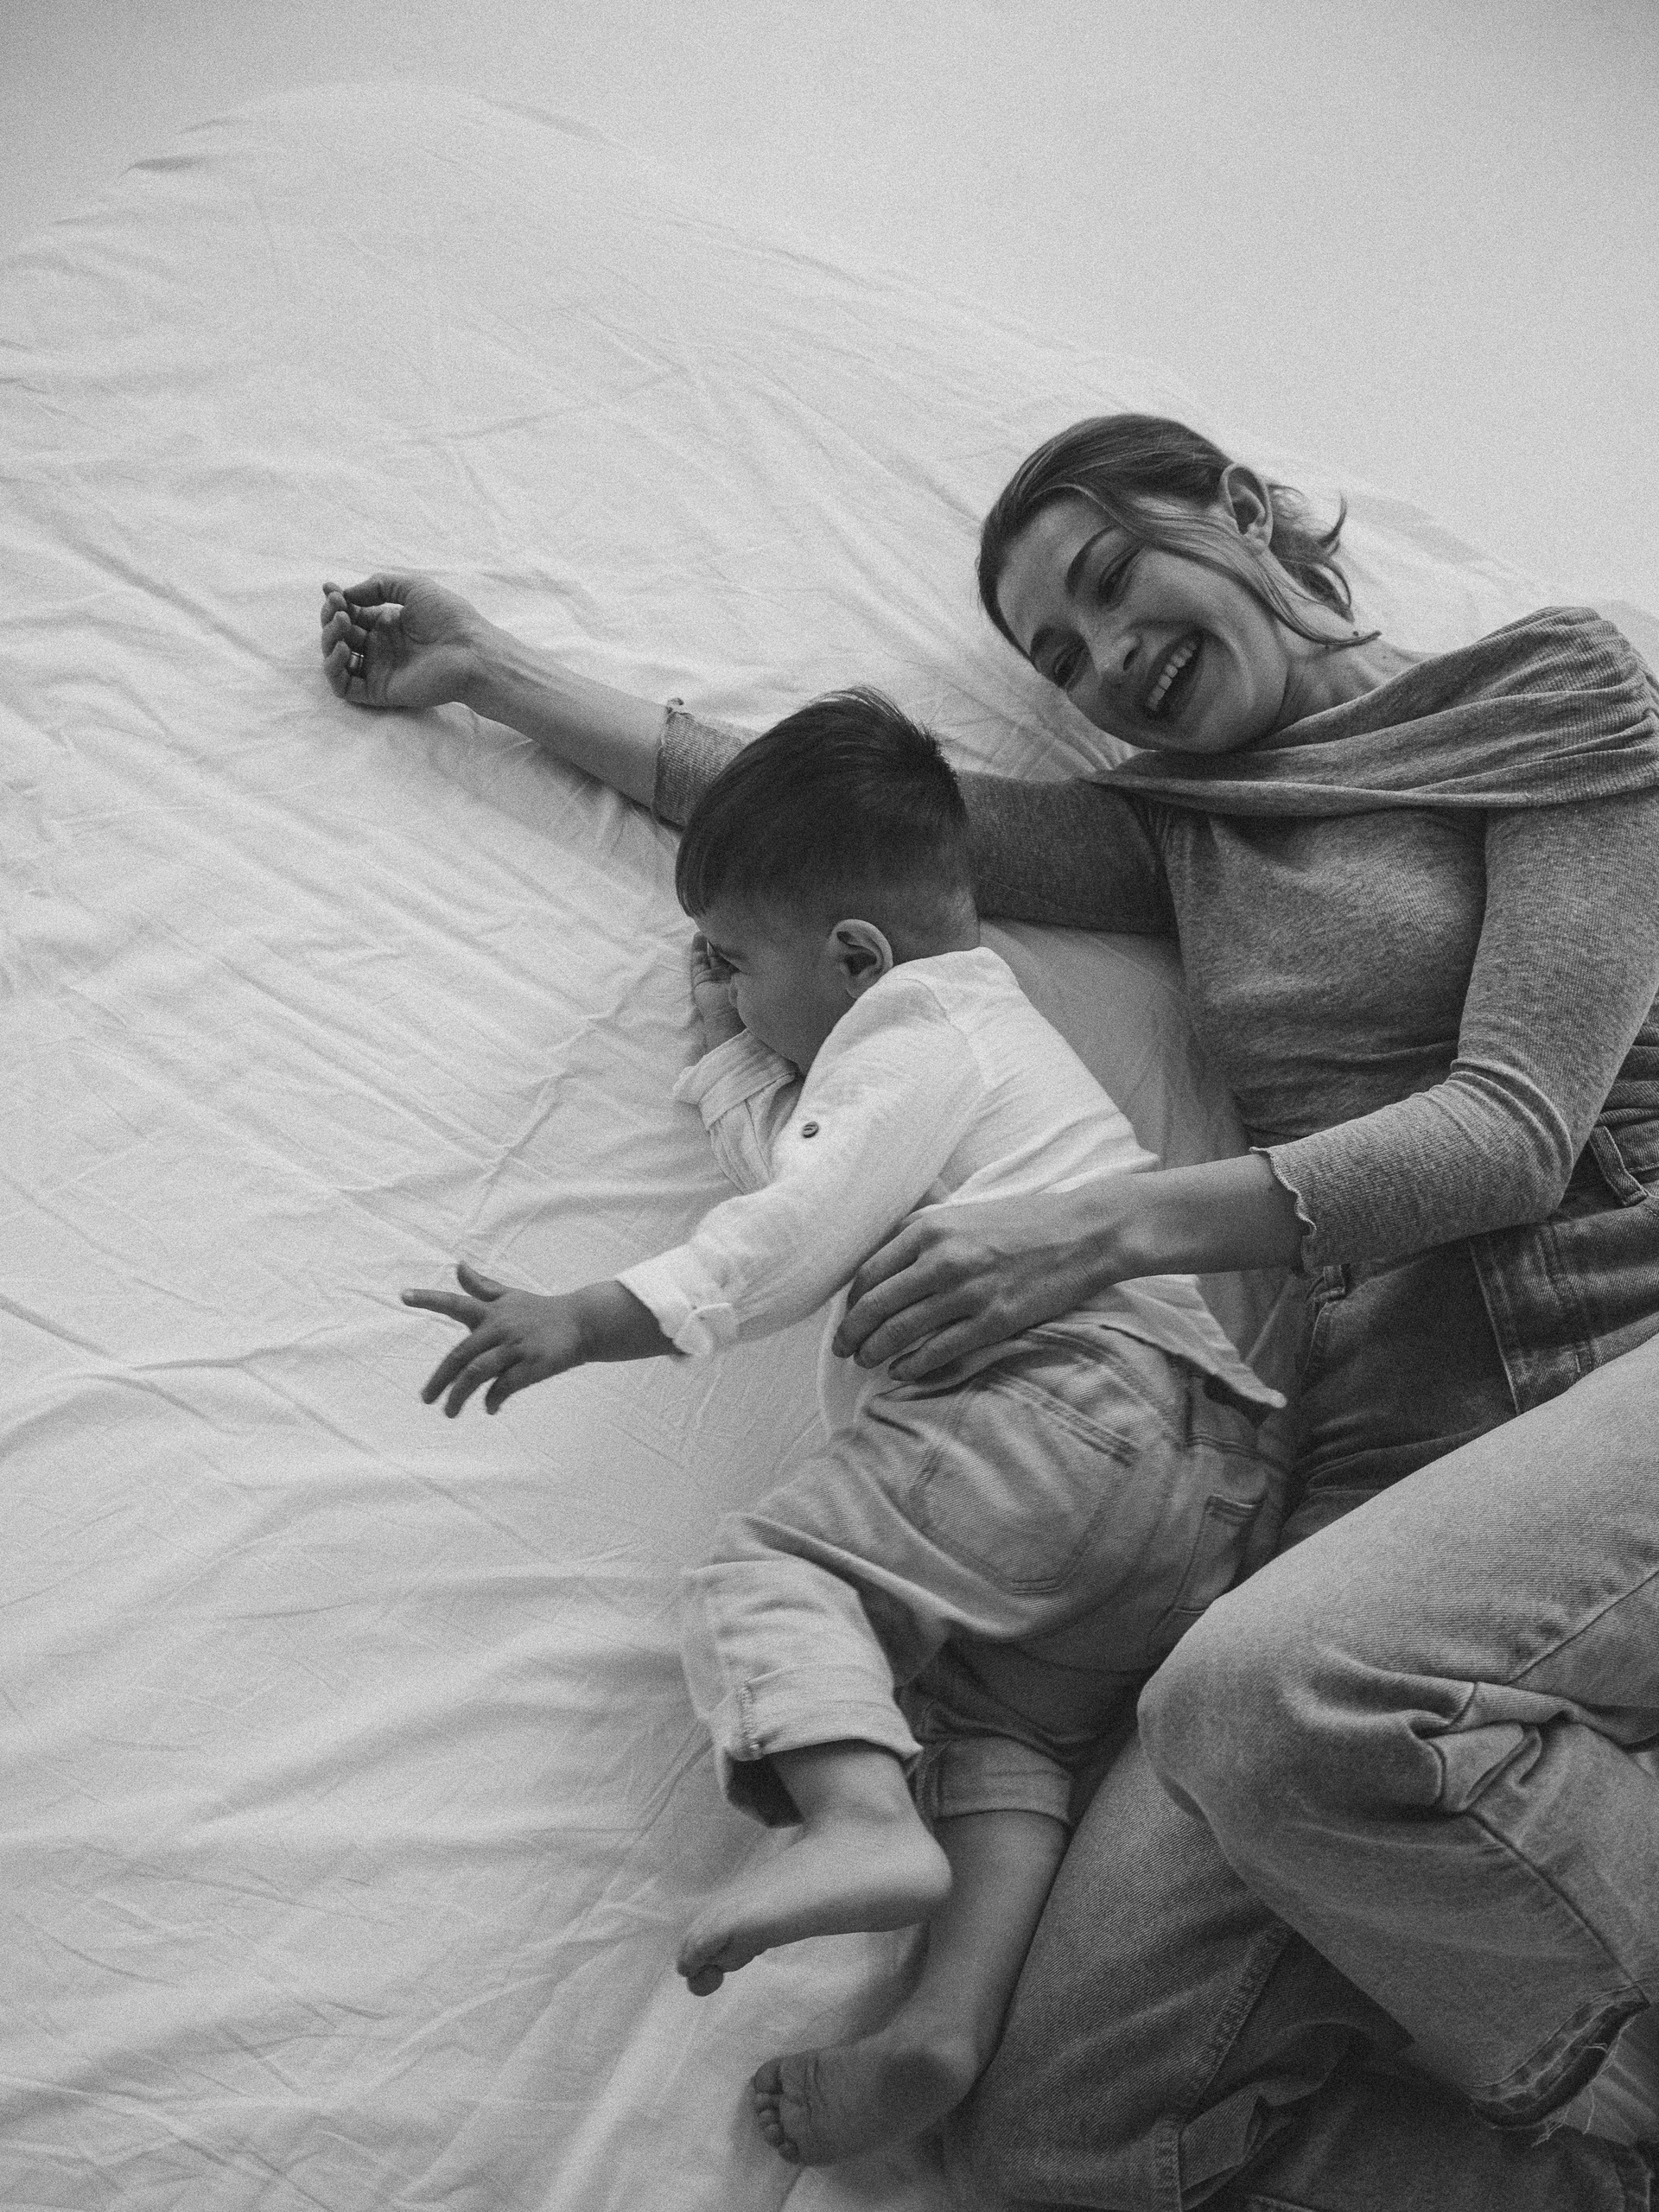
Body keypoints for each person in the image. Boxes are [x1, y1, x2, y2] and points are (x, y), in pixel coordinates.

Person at [319, 408, 1659, 2209]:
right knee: (1071, 2131)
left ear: (1243, 510)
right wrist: (491, 672)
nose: (1109, 658)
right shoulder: (1187, 835)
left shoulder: (1551, 689)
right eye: (1062, 659)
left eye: (1111, 579)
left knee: (1264, 1695)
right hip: (1386, 1471)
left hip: (1620, 1356)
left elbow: (1510, 1130)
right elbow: (843, 842)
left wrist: (1095, 1232)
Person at [400, 689, 1288, 2169]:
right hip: (1190, 1485)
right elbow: (825, 1171)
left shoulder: (915, 1028)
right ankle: (942, 2026)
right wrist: (735, 1057)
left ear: (859, 960)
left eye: (737, 963)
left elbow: (795, 1229)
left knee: (767, 1576)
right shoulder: (955, 1047)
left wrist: (592, 1316)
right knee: (1003, 1740)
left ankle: (859, 1820)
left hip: (1063, 1405)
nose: (724, 987)